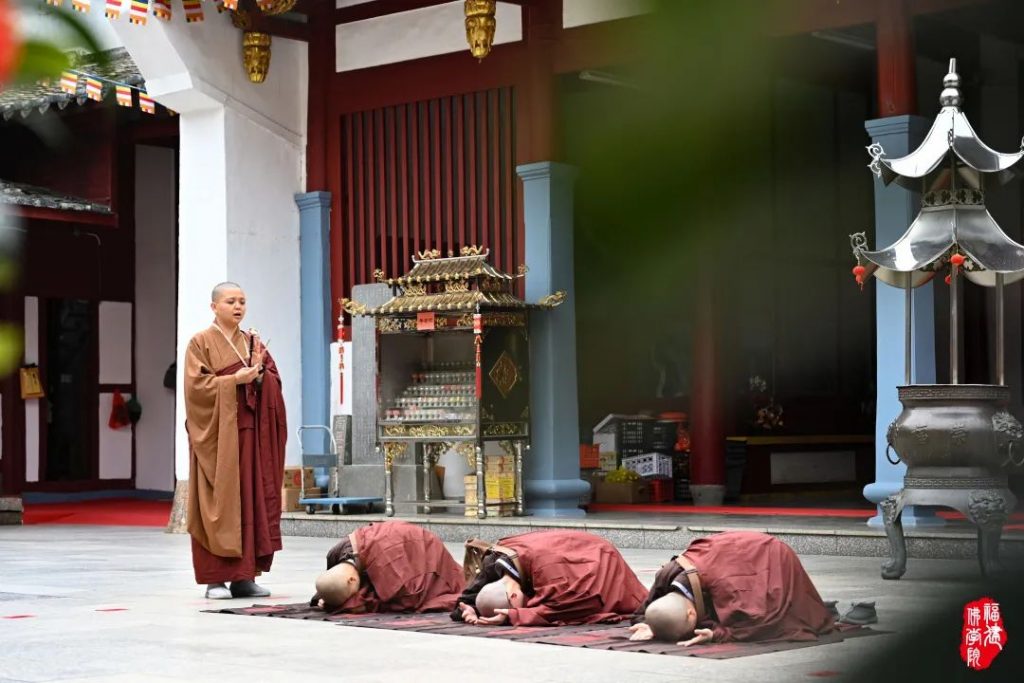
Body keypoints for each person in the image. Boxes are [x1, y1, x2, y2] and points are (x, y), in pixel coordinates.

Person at [184, 282, 287, 600]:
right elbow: (196, 389)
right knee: (218, 503)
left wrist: (261, 376)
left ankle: (245, 577)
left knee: (250, 501)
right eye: (230, 301)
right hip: (218, 437)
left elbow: (273, 380)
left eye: (242, 301)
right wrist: (233, 381)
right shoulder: (200, 342)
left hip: (250, 436)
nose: (238, 306)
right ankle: (215, 580)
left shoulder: (252, 342)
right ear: (214, 306)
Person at [628, 531, 836, 645]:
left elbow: (761, 624)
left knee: (781, 612)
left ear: (692, 614)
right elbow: (649, 610)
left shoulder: (736, 595)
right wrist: (651, 624)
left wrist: (717, 634)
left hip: (771, 554)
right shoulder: (666, 574)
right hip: (730, 551)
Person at [452, 530, 647, 627]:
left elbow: (565, 608)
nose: (525, 605)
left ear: (513, 597)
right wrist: (468, 608)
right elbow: (467, 597)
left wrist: (514, 615)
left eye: (519, 604)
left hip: (597, 554)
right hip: (559, 549)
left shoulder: (553, 576)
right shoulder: (494, 561)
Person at [311, 521, 464, 613]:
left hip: (424, 549)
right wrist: (325, 597)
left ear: (351, 580)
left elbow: (408, 599)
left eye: (351, 594)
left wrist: (355, 604)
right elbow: (331, 581)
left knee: (415, 595)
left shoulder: (388, 566)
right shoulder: (336, 553)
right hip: (394, 541)